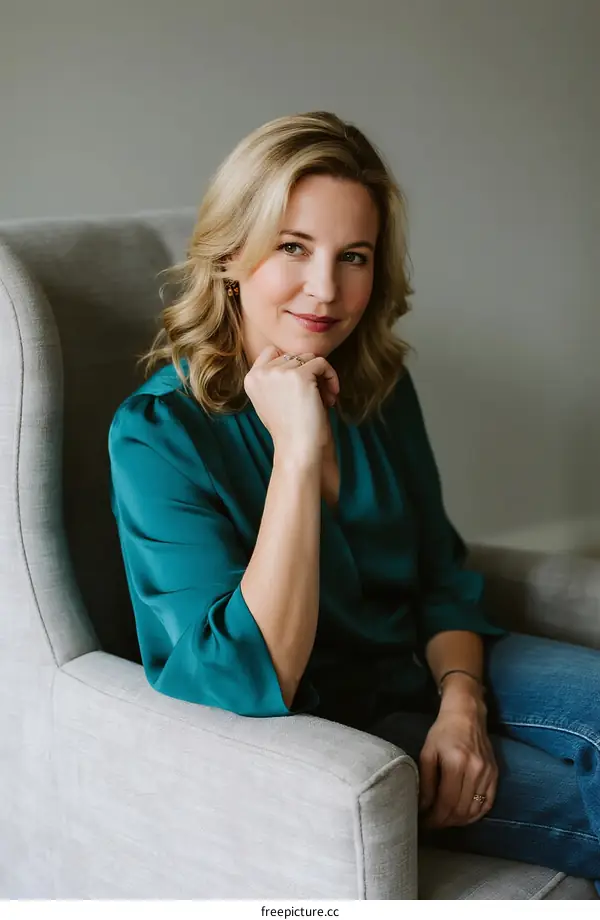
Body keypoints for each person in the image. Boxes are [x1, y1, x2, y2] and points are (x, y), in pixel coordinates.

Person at [108, 111, 599, 891]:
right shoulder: (158, 434)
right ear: (232, 254)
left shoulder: (376, 384)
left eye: (355, 257)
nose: (327, 291)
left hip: (435, 669)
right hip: (344, 730)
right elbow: (245, 675)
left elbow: (440, 574)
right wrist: (298, 448)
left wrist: (462, 704)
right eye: (293, 248)